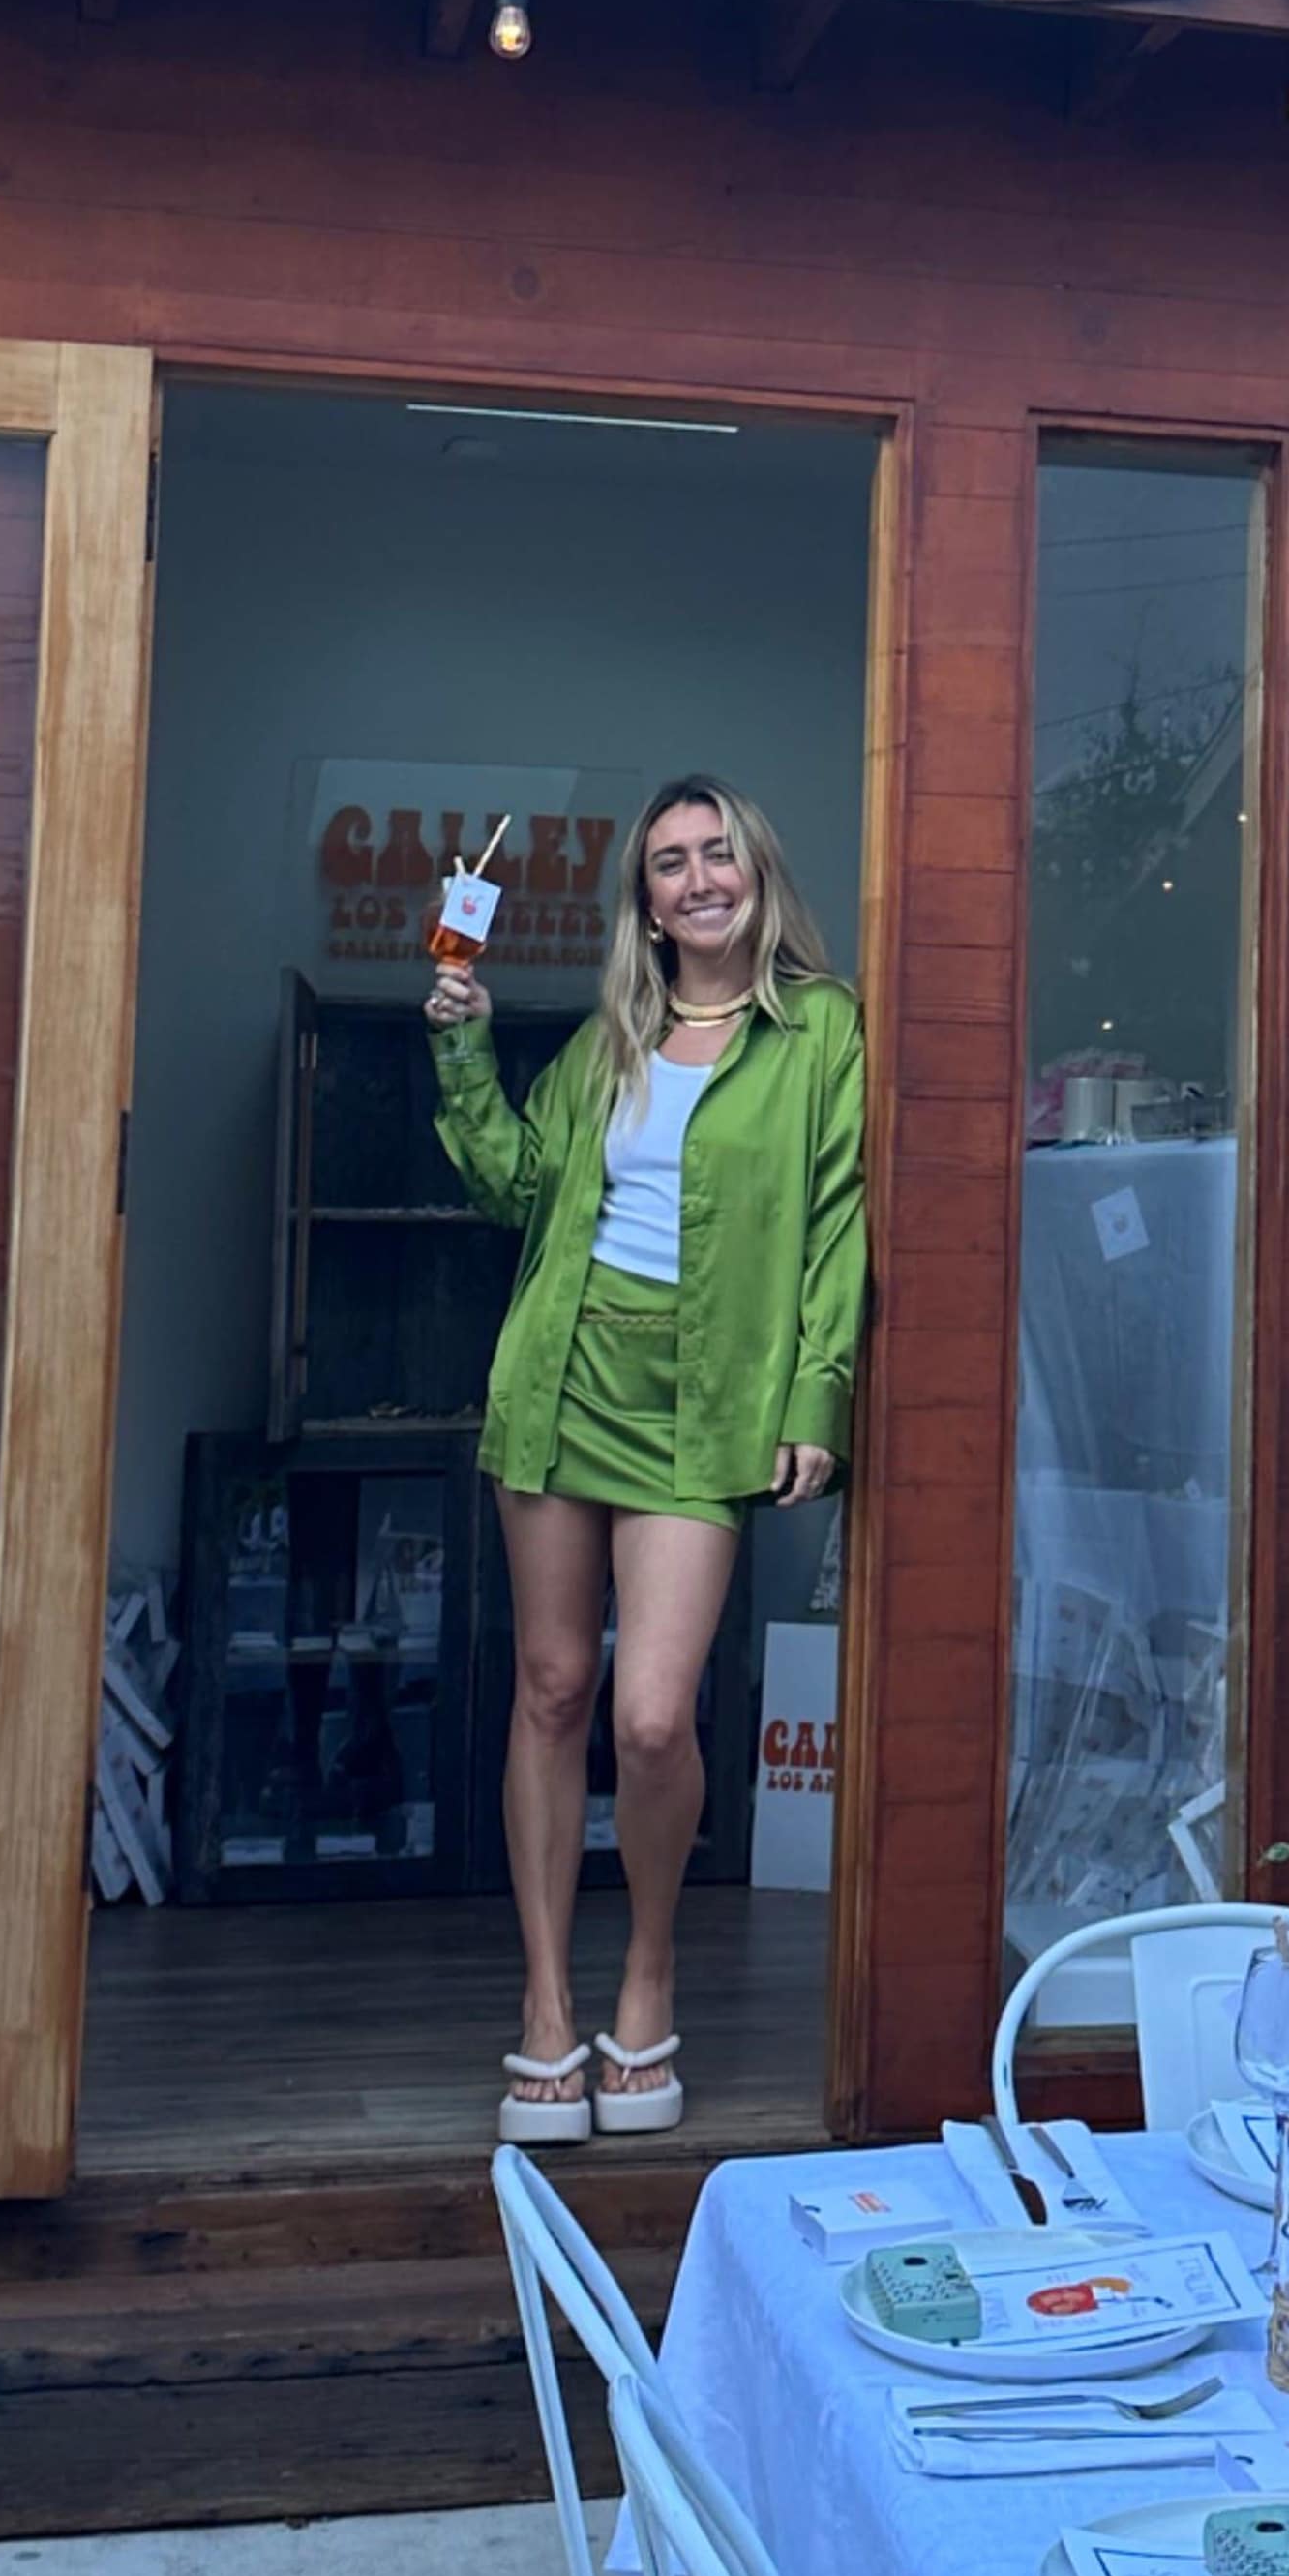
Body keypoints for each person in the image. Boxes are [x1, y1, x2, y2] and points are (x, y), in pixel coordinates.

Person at [425, 778, 866, 2144]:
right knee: (554, 1688)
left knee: (655, 1716)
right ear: (649, 905)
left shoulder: (822, 1030)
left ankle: (649, 1973)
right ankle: (548, 2004)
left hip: (706, 1405)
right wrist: (463, 1045)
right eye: (670, 863)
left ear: (758, 873)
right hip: (562, 1382)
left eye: (719, 852)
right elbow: (512, 1188)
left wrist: (818, 1394)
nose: (698, 878)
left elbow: (839, 1219)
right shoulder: (609, 1038)